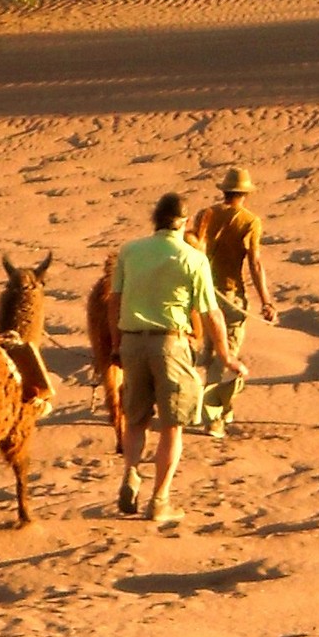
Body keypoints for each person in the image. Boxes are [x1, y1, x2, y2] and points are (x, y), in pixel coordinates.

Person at [110, 193, 247, 525]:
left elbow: (115, 300)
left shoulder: (129, 251)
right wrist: (227, 357)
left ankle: (130, 472)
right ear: (184, 222)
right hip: (170, 344)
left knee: (137, 418)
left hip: (132, 342)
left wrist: (117, 343)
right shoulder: (194, 258)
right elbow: (210, 313)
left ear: (154, 219)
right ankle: (159, 500)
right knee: (173, 425)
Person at [189, 165, 278, 437]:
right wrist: (266, 301)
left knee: (209, 352)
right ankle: (213, 418)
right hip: (229, 294)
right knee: (224, 357)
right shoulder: (249, 221)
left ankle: (218, 411)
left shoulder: (205, 215)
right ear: (245, 194)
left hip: (200, 293)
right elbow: (255, 263)